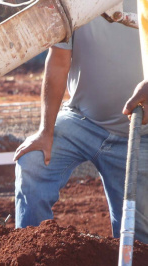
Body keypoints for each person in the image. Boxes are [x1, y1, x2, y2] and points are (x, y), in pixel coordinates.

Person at [16, 0, 148, 242]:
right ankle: (29, 258)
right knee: (33, 160)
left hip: (138, 135)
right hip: (82, 121)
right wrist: (45, 131)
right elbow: (58, 62)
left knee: (137, 239)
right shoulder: (72, 3)